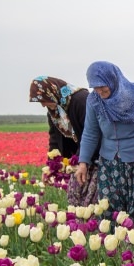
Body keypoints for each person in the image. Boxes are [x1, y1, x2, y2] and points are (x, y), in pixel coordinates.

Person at [75, 62, 134, 220]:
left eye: (102, 86)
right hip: (109, 164)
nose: (99, 91)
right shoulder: (94, 100)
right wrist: (83, 162)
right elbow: (90, 132)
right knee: (110, 210)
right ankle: (115, 243)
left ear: (112, 79)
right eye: (95, 87)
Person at [29, 76, 98, 207]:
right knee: (74, 197)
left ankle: (90, 226)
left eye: (44, 100)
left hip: (95, 155)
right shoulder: (54, 111)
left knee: (91, 201)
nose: (43, 105)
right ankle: (78, 226)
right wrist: (51, 166)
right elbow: (54, 138)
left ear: (52, 92)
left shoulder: (81, 100)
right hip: (77, 158)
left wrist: (82, 159)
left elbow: (90, 133)